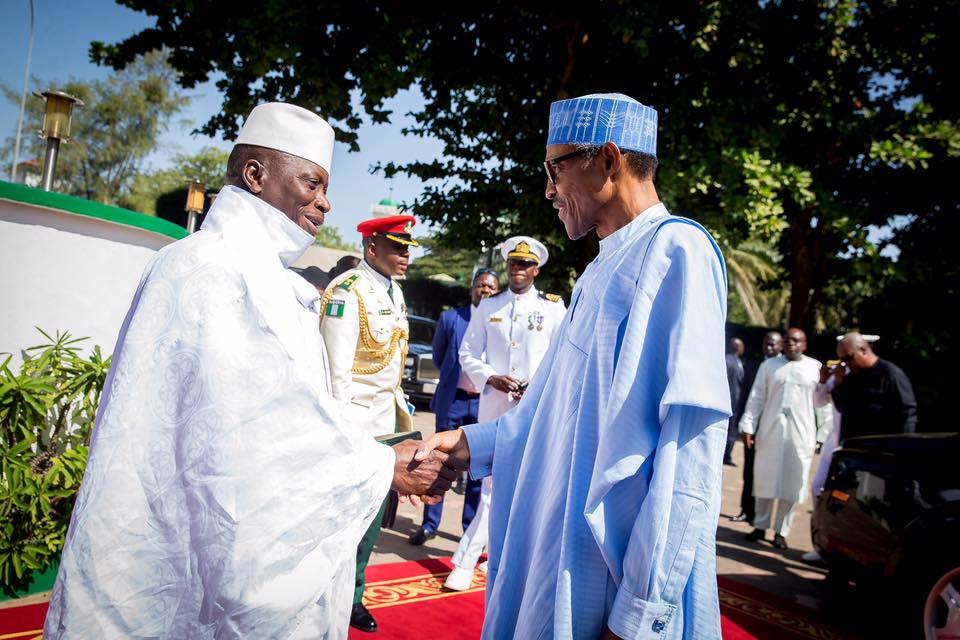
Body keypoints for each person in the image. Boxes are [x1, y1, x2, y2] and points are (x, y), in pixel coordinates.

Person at [43, 103, 459, 640]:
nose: (326, 203)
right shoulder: (210, 268)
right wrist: (381, 466)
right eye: (312, 182)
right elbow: (253, 441)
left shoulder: (263, 275)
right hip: (186, 557)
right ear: (255, 175)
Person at [414, 93, 731, 638]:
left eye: (554, 168)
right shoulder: (598, 273)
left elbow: (689, 456)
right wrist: (471, 446)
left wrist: (637, 615)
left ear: (607, 160)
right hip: (554, 554)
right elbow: (552, 416)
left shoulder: (676, 251)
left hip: (609, 582)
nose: (549, 190)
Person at [443, 236, 566, 591]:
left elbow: (563, 358)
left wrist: (537, 385)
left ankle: (490, 558)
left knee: (527, 485)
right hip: (494, 408)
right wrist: (490, 377)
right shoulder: (488, 305)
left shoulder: (554, 308)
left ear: (537, 269)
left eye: (526, 264)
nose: (519, 269)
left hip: (535, 408)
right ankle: (466, 562)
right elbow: (468, 353)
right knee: (491, 485)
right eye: (514, 263)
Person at [319, 213, 419, 632]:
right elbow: (335, 375)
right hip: (352, 431)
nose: (406, 256)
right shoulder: (347, 292)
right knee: (341, 525)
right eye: (398, 247)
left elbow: (391, 372)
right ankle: (328, 596)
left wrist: (406, 426)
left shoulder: (394, 293)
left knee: (371, 524)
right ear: (372, 247)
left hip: (384, 431)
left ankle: (354, 596)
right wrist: (340, 440)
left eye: (409, 249)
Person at [408, 269, 501, 546]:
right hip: (454, 400)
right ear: (472, 289)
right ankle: (429, 524)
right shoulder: (452, 319)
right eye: (481, 285)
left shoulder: (502, 321)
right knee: (437, 460)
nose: (485, 290)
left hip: (484, 401)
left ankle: (468, 529)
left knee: (477, 464)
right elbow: (438, 355)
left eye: (491, 287)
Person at [739, 328, 821, 550]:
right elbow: (757, 397)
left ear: (804, 344)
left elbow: (823, 406)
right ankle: (760, 525)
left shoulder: (815, 368)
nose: (791, 344)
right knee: (765, 478)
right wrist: (748, 425)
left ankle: (781, 531)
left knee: (793, 484)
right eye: (788, 340)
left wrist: (822, 434)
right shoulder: (769, 366)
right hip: (771, 430)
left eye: (797, 340)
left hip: (801, 434)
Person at [730, 330, 782, 524]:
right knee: (749, 471)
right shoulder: (753, 364)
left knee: (768, 474)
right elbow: (744, 396)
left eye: (773, 344)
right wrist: (741, 426)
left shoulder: (783, 367)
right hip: (752, 428)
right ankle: (747, 511)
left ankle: (763, 519)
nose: (769, 347)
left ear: (781, 346)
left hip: (773, 429)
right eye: (766, 343)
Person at [831, 332, 917, 440]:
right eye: (842, 360)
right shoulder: (851, 377)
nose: (846, 364)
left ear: (863, 350)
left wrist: (902, 445)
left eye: (848, 358)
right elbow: (841, 407)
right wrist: (838, 383)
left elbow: (907, 414)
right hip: (852, 448)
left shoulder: (890, 374)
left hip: (879, 447)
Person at [723, 337, 745, 465]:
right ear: (738, 347)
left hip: (733, 401)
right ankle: (727, 456)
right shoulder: (728, 361)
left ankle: (727, 455)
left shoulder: (735, 361)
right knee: (730, 430)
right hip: (731, 401)